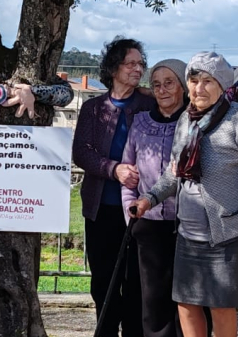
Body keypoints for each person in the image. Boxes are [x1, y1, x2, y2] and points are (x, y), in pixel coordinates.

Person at [136, 51, 238, 337]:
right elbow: (174, 172)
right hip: (189, 232)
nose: (198, 88)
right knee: (186, 304)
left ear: (222, 85)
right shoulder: (186, 120)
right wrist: (149, 198)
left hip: (230, 231)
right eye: (193, 80)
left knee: (220, 306)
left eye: (207, 81)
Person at [73, 37, 154, 337]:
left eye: (140, 64)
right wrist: (114, 169)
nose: (138, 69)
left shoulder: (149, 104)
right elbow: (81, 152)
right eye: (130, 63)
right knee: (103, 281)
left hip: (139, 209)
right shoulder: (93, 108)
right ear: (113, 67)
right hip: (101, 207)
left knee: (136, 282)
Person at [120, 58, 189, 337]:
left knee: (188, 302)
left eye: (169, 83)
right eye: (156, 84)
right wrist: (129, 211)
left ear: (183, 86)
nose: (162, 90)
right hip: (148, 223)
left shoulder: (195, 123)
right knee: (153, 302)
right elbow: (129, 172)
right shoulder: (140, 123)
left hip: (188, 224)